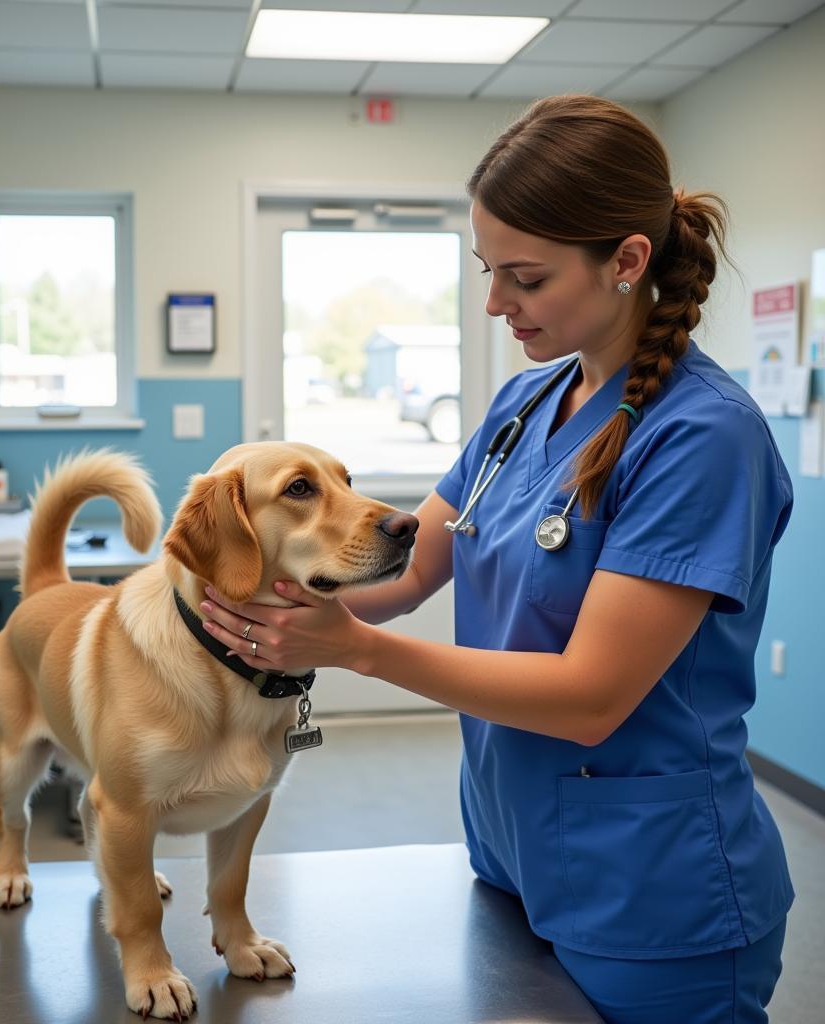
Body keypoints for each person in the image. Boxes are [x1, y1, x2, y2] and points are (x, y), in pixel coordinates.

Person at [200, 95, 793, 1024]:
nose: (493, 302)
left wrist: (350, 649)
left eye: (524, 276)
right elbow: (402, 570)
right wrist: (263, 576)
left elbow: (593, 697)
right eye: (488, 269)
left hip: (650, 887)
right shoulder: (524, 404)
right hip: (514, 847)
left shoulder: (703, 439)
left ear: (628, 261)